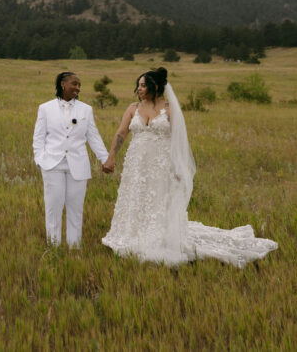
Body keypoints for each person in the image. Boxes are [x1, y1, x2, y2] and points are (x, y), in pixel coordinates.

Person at [101, 67, 278, 266]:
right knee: (135, 196)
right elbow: (121, 133)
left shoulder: (169, 109)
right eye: (139, 85)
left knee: (158, 199)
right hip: (136, 164)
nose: (139, 89)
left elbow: (179, 140)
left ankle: (158, 236)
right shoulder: (133, 108)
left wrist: (178, 167)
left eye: (144, 85)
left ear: (156, 87)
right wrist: (111, 157)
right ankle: (130, 232)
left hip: (161, 164)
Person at [32, 71, 111, 248]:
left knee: (75, 209)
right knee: (53, 208)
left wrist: (105, 159)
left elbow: (94, 137)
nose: (77, 88)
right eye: (74, 84)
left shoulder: (86, 109)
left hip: (78, 165)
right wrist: (40, 159)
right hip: (53, 164)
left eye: (79, 85)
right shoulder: (45, 108)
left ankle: (74, 248)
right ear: (62, 84)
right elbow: (38, 137)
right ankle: (54, 248)